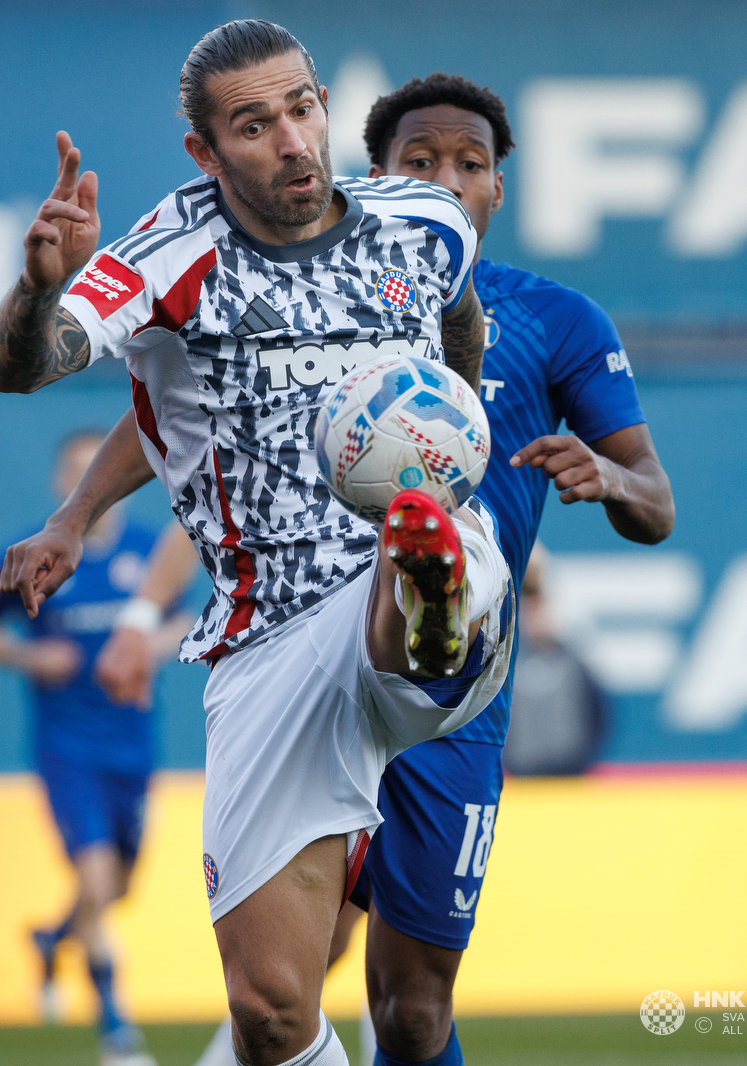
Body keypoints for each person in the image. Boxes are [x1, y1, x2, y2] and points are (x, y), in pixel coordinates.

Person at [103, 72, 676, 1066]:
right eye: (421, 163)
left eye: (470, 165)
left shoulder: (559, 321)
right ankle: (411, 596)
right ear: (378, 176)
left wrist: (609, 478)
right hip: (313, 651)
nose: (448, 182)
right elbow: (179, 423)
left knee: (410, 1011)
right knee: (289, 973)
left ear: (500, 186)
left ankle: (430, 592)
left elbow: (656, 503)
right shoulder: (318, 282)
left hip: (456, 691)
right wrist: (77, 517)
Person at [0, 22, 516, 1066]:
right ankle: (419, 585)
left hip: (413, 582)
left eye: (300, 108)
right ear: (204, 150)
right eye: (253, 123)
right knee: (271, 1011)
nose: (291, 140)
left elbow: (456, 318)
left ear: (324, 102)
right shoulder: (162, 256)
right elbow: (32, 369)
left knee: (413, 554)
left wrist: (456, 423)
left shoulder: (421, 220)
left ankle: (424, 581)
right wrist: (42, 285)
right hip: (266, 637)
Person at [0, 429, 187, 1066]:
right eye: (74, 470)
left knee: (116, 889)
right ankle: (118, 1031)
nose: (86, 479)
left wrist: (151, 643)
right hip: (67, 746)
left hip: (131, 743)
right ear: (60, 484)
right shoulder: (36, 553)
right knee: (94, 882)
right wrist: (30, 655)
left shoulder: (151, 552)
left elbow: (188, 616)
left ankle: (51, 938)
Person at [501, 544, 608, 777]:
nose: (536, 615)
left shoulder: (574, 661)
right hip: (522, 777)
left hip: (568, 778)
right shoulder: (506, 663)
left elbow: (599, 714)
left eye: (541, 606)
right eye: (530, 607)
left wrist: (582, 761)